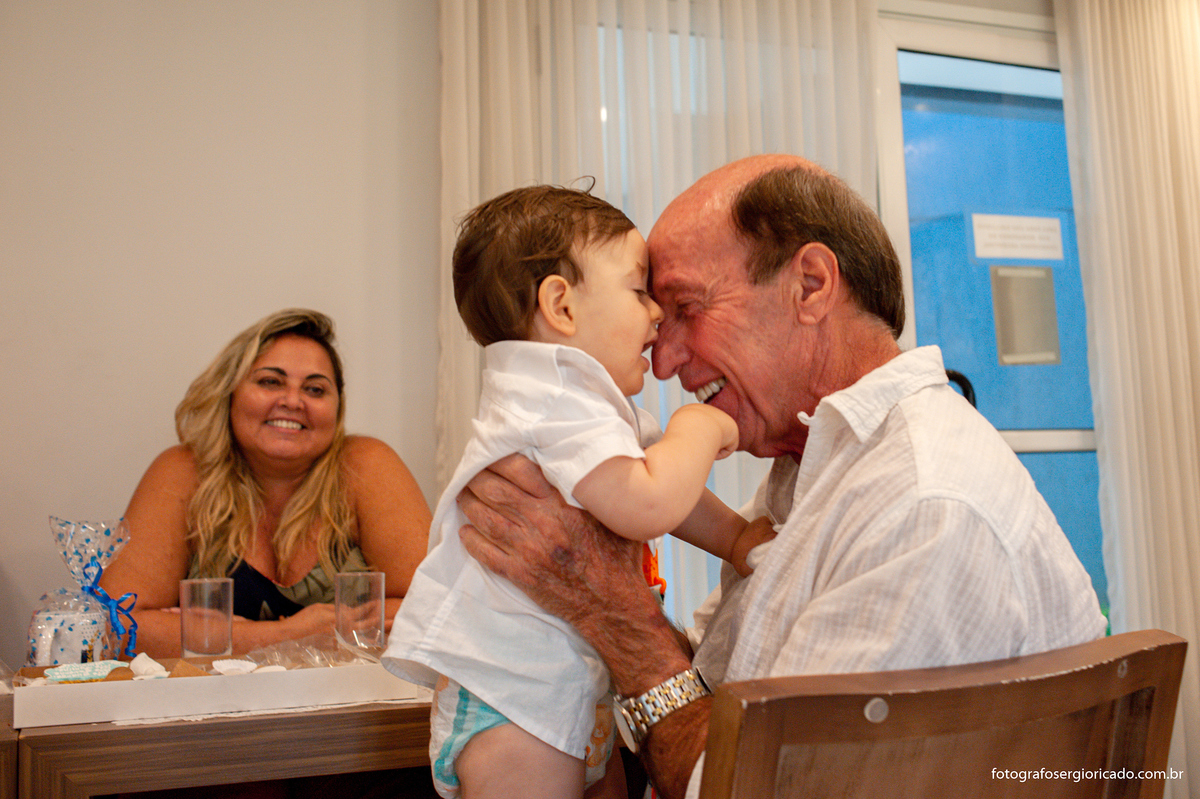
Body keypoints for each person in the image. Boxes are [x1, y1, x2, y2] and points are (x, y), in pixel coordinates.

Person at [454, 155, 1109, 799]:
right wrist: (584, 602)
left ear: (811, 286)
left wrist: (617, 615)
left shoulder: (924, 506)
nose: (664, 361)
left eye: (686, 307)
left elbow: (769, 785)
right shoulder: (820, 462)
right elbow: (721, 677)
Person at [382, 186, 775, 799]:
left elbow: (644, 481)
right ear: (561, 306)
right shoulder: (551, 398)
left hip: (564, 691)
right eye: (639, 290)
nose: (657, 314)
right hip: (513, 703)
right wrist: (697, 428)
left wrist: (734, 538)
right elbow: (647, 501)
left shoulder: (578, 399)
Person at [101, 308, 432, 658]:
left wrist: (217, 634)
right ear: (230, 391)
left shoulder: (366, 464)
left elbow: (436, 612)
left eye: (315, 389)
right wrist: (288, 634)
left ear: (337, 407)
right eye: (270, 382)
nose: (292, 401)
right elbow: (116, 628)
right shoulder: (183, 471)